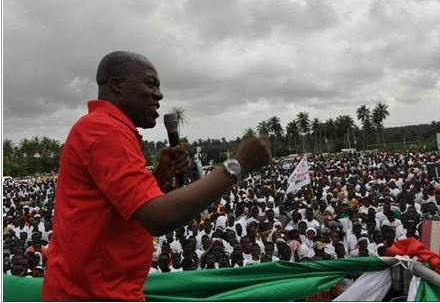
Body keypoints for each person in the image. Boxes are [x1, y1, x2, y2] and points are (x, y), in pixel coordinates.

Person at [42, 51, 271, 301]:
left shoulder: (104, 128)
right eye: (150, 84)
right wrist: (235, 167)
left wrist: (159, 176)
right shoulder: (105, 131)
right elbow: (157, 218)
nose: (159, 94)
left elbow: (119, 207)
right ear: (117, 85)